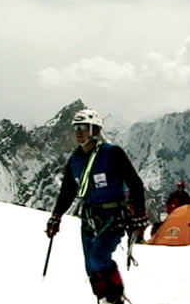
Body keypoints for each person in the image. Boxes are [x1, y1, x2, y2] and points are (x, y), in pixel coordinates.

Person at [45, 109, 148, 304]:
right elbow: (67, 191)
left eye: (84, 127)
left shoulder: (111, 153)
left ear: (95, 129)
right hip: (89, 217)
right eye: (76, 128)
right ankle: (103, 299)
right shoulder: (75, 160)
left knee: (99, 258)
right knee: (90, 267)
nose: (78, 132)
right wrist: (56, 216)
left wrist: (140, 214)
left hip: (113, 215)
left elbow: (135, 182)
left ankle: (115, 298)